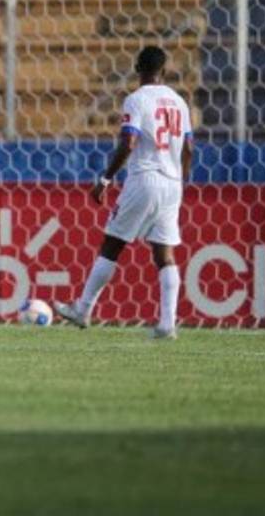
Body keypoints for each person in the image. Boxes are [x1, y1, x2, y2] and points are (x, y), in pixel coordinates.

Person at [55, 46, 193, 339]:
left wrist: (105, 179)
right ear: (164, 71)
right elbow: (189, 148)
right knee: (164, 253)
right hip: (172, 183)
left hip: (144, 178)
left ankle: (83, 309)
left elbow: (128, 142)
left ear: (136, 69)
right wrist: (181, 181)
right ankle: (168, 323)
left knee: (112, 245)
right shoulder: (179, 102)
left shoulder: (137, 99)